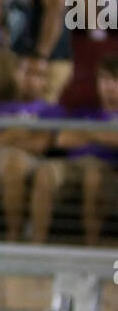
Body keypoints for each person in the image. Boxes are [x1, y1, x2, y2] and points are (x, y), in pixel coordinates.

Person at [30, 54, 118, 244]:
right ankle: (36, 244)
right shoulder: (85, 112)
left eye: (115, 80)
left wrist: (88, 133)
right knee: (46, 170)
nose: (109, 86)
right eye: (104, 79)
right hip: (73, 164)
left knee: (93, 176)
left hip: (108, 168)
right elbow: (62, 139)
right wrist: (102, 135)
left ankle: (90, 246)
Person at [0, 53, 60, 240]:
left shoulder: (50, 110)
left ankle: (14, 235)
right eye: (27, 72)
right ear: (16, 74)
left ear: (45, 81)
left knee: (13, 161)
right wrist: (10, 135)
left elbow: (40, 144)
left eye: (39, 75)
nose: (31, 80)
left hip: (26, 161)